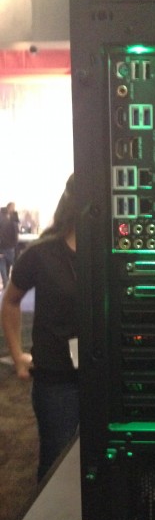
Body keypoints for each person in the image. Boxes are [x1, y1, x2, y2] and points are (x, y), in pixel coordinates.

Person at [0, 175, 78, 482]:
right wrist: (18, 355)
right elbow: (11, 301)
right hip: (57, 379)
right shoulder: (42, 253)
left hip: (107, 376)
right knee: (57, 464)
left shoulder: (112, 252)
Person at [0, 202, 20, 289]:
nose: (14, 209)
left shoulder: (4, 216)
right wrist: (15, 243)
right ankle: (10, 284)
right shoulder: (11, 218)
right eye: (13, 207)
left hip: (4, 245)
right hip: (8, 245)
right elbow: (16, 232)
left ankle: (6, 284)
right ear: (9, 207)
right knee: (11, 264)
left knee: (3, 264)